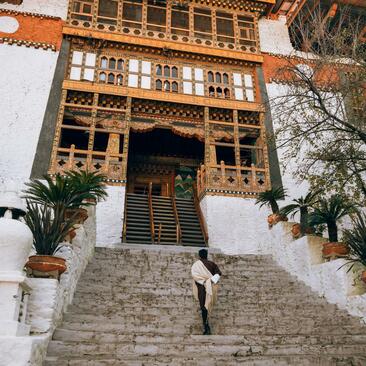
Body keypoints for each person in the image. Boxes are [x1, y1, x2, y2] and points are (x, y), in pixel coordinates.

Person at [191, 249, 222, 335]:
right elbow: (218, 273)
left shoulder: (196, 265)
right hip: (211, 287)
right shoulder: (212, 264)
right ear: (207, 255)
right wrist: (211, 280)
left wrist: (203, 281)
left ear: (199, 255)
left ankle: (206, 325)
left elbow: (194, 276)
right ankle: (207, 325)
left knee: (203, 306)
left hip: (201, 288)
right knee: (208, 304)